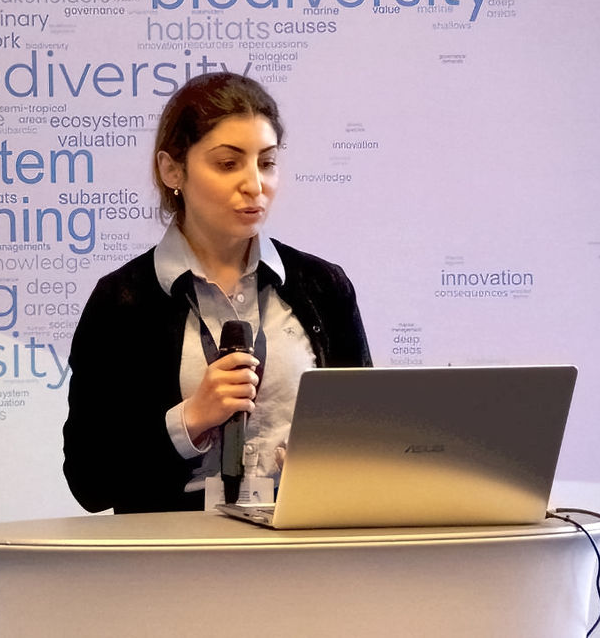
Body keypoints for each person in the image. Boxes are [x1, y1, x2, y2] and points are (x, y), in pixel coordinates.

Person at [62, 72, 371, 514]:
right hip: (170, 551)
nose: (255, 184)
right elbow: (89, 480)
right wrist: (190, 420)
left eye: (267, 163)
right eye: (228, 164)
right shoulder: (122, 301)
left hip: (298, 546)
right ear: (172, 170)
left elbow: (368, 441)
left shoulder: (324, 287)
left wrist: (331, 465)